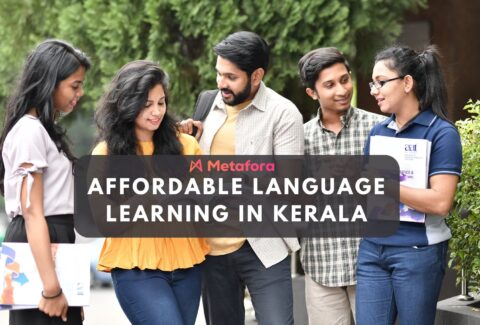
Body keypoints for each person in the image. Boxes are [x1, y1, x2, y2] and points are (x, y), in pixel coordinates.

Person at [180, 31, 304, 325]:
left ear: (257, 75)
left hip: (263, 245)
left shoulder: (283, 114)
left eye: (231, 77)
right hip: (211, 250)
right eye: (219, 74)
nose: (222, 83)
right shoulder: (207, 105)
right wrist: (186, 145)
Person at [93, 60, 210, 325]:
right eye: (146, 105)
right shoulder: (105, 155)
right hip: (137, 270)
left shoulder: (186, 145)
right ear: (126, 104)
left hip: (187, 266)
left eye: (161, 102)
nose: (156, 111)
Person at [356, 45, 462, 325]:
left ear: (407, 83)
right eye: (372, 83)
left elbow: (441, 202)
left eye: (381, 82)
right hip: (372, 249)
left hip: (417, 252)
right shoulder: (378, 133)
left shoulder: (442, 133)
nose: (373, 90)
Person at [0, 39, 90, 324]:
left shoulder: (42, 131)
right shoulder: (29, 132)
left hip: (54, 241)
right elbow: (32, 212)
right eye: (74, 86)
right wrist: (51, 289)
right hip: (39, 242)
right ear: (50, 82)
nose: (81, 93)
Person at [298, 47, 385, 325]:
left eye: (345, 79)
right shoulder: (299, 139)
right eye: (330, 84)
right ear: (312, 93)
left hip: (372, 268)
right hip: (321, 267)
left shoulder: (380, 128)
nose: (342, 89)